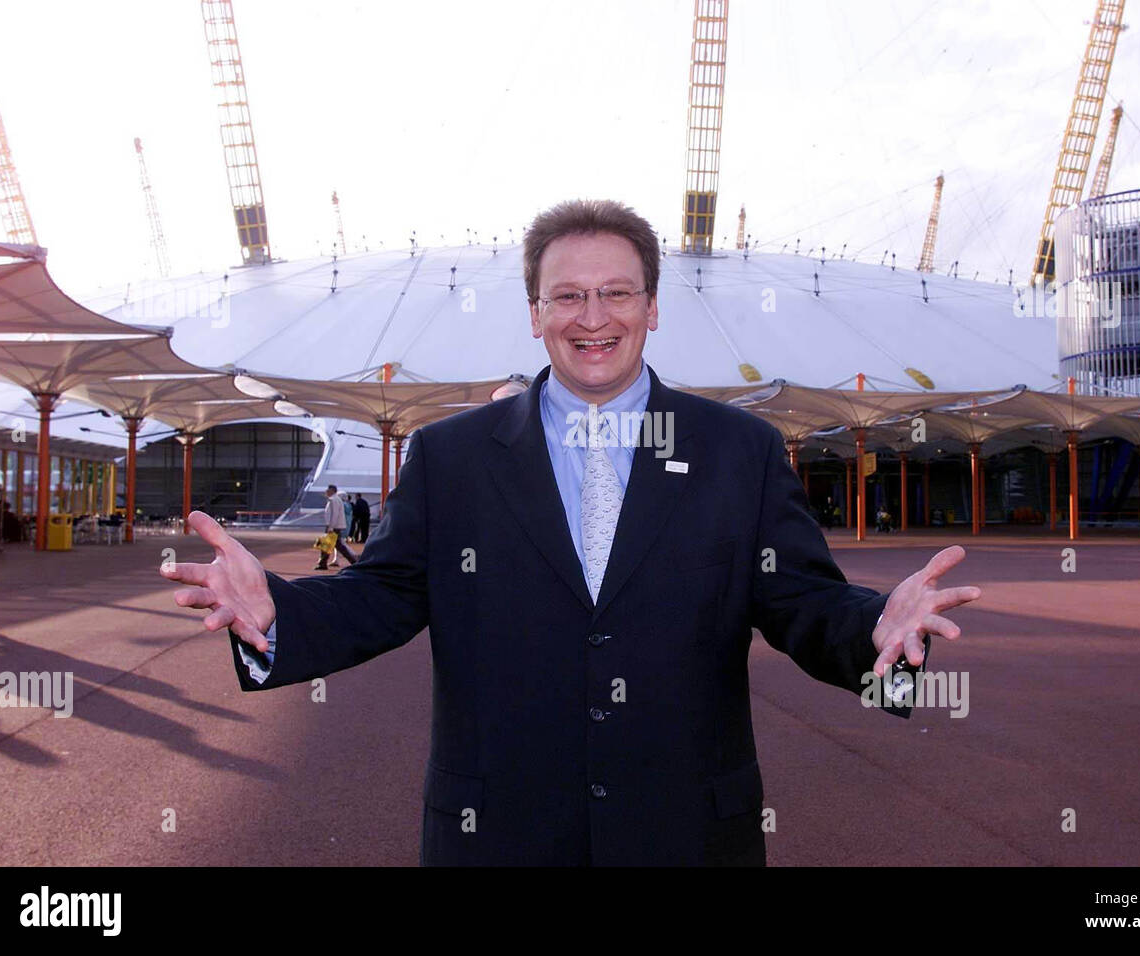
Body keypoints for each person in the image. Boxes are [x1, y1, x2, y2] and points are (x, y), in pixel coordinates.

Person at [163, 198, 982, 866]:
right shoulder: (453, 457)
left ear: (652, 308)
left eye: (617, 292)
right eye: (568, 295)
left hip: (688, 837)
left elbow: (800, 599)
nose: (594, 317)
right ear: (535, 313)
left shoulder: (740, 451)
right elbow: (384, 593)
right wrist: (276, 614)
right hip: (498, 836)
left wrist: (880, 630)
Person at [314, 484, 356, 570]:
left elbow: (334, 514)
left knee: (327, 545)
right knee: (336, 546)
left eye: (328, 490)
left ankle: (323, 563)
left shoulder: (334, 500)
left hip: (333, 527)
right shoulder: (335, 500)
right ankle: (354, 562)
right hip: (335, 526)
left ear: (332, 491)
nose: (326, 492)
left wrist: (330, 527)